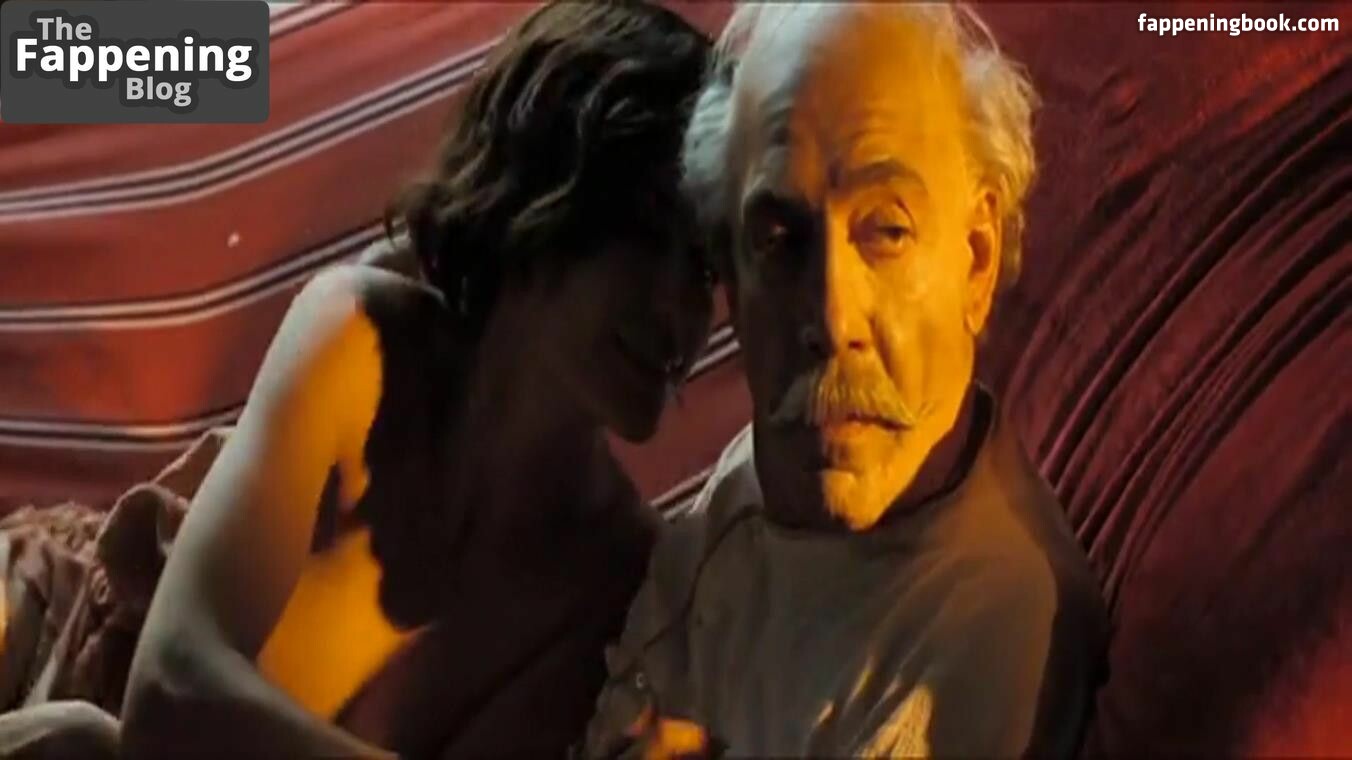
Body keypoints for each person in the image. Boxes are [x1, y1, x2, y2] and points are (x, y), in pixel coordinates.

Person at [110, 2, 714, 757]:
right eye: (650, 235)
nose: (684, 312)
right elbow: (166, 693)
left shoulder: (619, 574)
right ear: (549, 190)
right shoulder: (361, 341)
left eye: (707, 266)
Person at [581, 3, 1107, 757]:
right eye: (779, 241)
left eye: (886, 230)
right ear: (728, 270)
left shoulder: (994, 635)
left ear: (977, 258)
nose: (831, 317)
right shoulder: (773, 464)